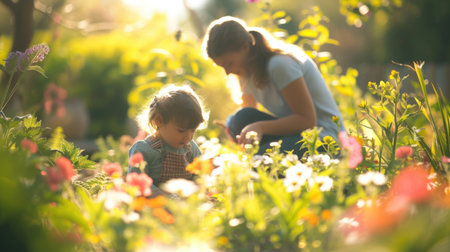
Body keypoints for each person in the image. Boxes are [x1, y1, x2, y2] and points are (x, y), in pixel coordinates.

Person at [203, 16, 345, 157]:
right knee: (239, 120)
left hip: (323, 138)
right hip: (298, 134)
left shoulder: (279, 64)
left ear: (245, 47)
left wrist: (260, 127)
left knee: (261, 160)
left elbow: (307, 121)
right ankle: (260, 157)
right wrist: (234, 129)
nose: (227, 72)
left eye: (229, 64)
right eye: (222, 67)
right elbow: (247, 113)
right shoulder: (245, 72)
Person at [128, 84, 206, 197]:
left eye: (193, 130)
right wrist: (162, 196)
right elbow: (137, 182)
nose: (188, 137)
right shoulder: (144, 149)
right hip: (155, 203)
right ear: (158, 121)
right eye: (181, 130)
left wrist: (196, 190)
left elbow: (200, 173)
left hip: (186, 202)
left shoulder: (190, 147)